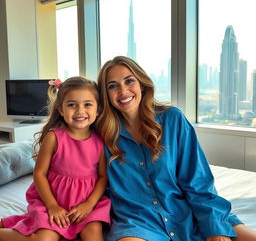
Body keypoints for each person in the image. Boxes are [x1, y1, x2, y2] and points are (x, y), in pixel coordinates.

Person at [96, 56, 256, 241]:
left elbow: (198, 180)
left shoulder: (172, 119)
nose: (123, 91)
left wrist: (214, 227)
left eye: (129, 81)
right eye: (112, 86)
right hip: (138, 223)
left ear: (142, 84)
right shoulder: (102, 134)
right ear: (106, 94)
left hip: (190, 213)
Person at [0, 76, 111, 241]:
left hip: (87, 203)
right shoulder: (54, 137)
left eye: (87, 104)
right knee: (44, 239)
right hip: (52, 201)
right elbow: (39, 174)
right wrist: (52, 206)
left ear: (98, 109)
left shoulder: (101, 140)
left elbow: (103, 177)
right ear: (61, 109)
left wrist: (89, 204)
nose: (80, 111)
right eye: (71, 105)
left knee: (93, 236)